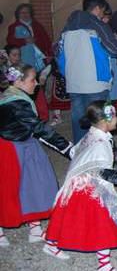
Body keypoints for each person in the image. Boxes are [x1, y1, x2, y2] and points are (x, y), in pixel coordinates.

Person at [43, 101, 117, 268]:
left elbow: (74, 152)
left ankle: (51, 244)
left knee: (68, 216)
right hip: (89, 188)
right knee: (103, 223)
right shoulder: (100, 144)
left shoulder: (92, 134)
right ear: (105, 121)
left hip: (78, 184)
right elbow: (104, 172)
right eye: (115, 115)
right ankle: (104, 264)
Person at [0, 64, 72, 249]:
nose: (36, 84)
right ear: (18, 81)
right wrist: (68, 148)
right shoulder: (15, 102)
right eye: (32, 80)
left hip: (26, 145)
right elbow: (39, 128)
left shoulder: (17, 97)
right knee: (8, 189)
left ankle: (34, 228)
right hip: (10, 148)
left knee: (37, 184)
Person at [58, 0, 117, 143]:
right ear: (97, 8)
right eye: (102, 10)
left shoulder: (66, 29)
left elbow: (57, 52)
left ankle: (82, 155)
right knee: (102, 121)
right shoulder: (97, 25)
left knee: (79, 122)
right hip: (96, 82)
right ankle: (103, 154)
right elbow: (114, 49)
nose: (103, 14)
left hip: (74, 83)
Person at [6, 4, 52, 122]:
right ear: (18, 14)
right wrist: (24, 40)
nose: (25, 15)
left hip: (39, 61)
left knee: (38, 87)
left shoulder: (37, 25)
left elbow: (46, 40)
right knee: (26, 87)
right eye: (22, 13)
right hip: (24, 62)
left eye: (27, 12)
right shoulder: (14, 27)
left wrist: (49, 54)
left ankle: (40, 112)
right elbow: (10, 41)